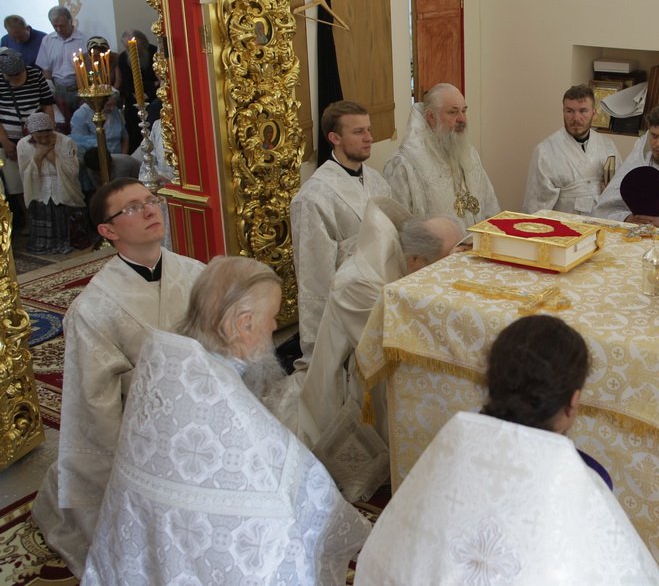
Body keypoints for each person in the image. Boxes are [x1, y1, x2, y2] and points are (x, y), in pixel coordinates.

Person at [81, 256, 370, 585]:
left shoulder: (170, 363)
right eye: (272, 318)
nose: (275, 328)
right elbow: (306, 490)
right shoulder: (222, 398)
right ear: (243, 325)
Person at [354, 315, 659, 585]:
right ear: (573, 402)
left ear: (491, 384)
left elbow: (384, 561)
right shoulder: (584, 486)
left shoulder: (444, 458)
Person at [31, 177, 205, 577]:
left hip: (202, 410)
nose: (149, 210)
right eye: (132, 208)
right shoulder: (94, 308)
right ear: (108, 231)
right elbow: (95, 402)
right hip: (143, 429)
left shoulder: (196, 273)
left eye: (150, 200)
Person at [294, 197, 463, 499]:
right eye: (444, 264)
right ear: (416, 260)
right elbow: (391, 344)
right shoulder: (360, 283)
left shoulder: (405, 261)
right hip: (357, 380)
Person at [290, 100, 390, 356]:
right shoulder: (313, 196)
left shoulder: (377, 180)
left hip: (385, 290)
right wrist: (320, 346)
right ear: (334, 138)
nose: (369, 138)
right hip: (348, 303)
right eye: (358, 132)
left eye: (369, 129)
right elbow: (314, 276)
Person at [383, 82, 500, 228]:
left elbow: (490, 207)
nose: (462, 119)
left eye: (464, 111)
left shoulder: (469, 154)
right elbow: (399, 229)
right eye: (453, 112)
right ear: (431, 117)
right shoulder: (404, 165)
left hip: (480, 241)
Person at [592, 104, 659, 227]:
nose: (658, 143)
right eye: (654, 135)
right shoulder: (635, 166)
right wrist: (626, 218)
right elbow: (601, 211)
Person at [521, 84, 621, 215]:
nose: (576, 118)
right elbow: (536, 202)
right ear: (563, 112)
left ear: (594, 113)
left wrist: (610, 189)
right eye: (570, 111)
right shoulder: (545, 151)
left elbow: (619, 189)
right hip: (564, 221)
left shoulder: (607, 146)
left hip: (601, 219)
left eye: (583, 111)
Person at [0, 48, 54, 229]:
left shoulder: (35, 75)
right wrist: (5, 141)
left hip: (38, 135)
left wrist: (49, 131)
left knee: (40, 175)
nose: (16, 79)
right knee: (16, 181)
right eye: (11, 76)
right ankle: (28, 219)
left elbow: (47, 104)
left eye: (18, 74)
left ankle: (44, 217)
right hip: (9, 137)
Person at [16, 112, 85, 254]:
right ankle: (44, 244)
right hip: (39, 185)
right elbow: (24, 172)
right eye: (38, 137)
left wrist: (52, 156)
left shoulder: (66, 142)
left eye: (47, 136)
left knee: (63, 211)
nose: (43, 140)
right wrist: (39, 155)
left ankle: (68, 242)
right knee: (42, 209)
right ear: (31, 134)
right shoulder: (23, 144)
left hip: (62, 183)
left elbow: (72, 170)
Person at [35, 6, 87, 126]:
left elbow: (89, 69)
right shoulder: (47, 40)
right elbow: (46, 70)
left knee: (83, 123)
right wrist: (51, 93)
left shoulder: (84, 39)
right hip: (58, 89)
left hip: (80, 87)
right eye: (55, 26)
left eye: (62, 25)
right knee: (64, 125)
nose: (58, 29)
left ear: (70, 20)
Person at [116, 29, 159, 153]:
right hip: (133, 97)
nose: (133, 52)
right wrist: (150, 85)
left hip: (154, 96)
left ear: (144, 43)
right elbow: (128, 83)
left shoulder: (154, 53)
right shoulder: (123, 59)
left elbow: (159, 80)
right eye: (128, 48)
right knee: (133, 121)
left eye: (136, 48)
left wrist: (150, 90)